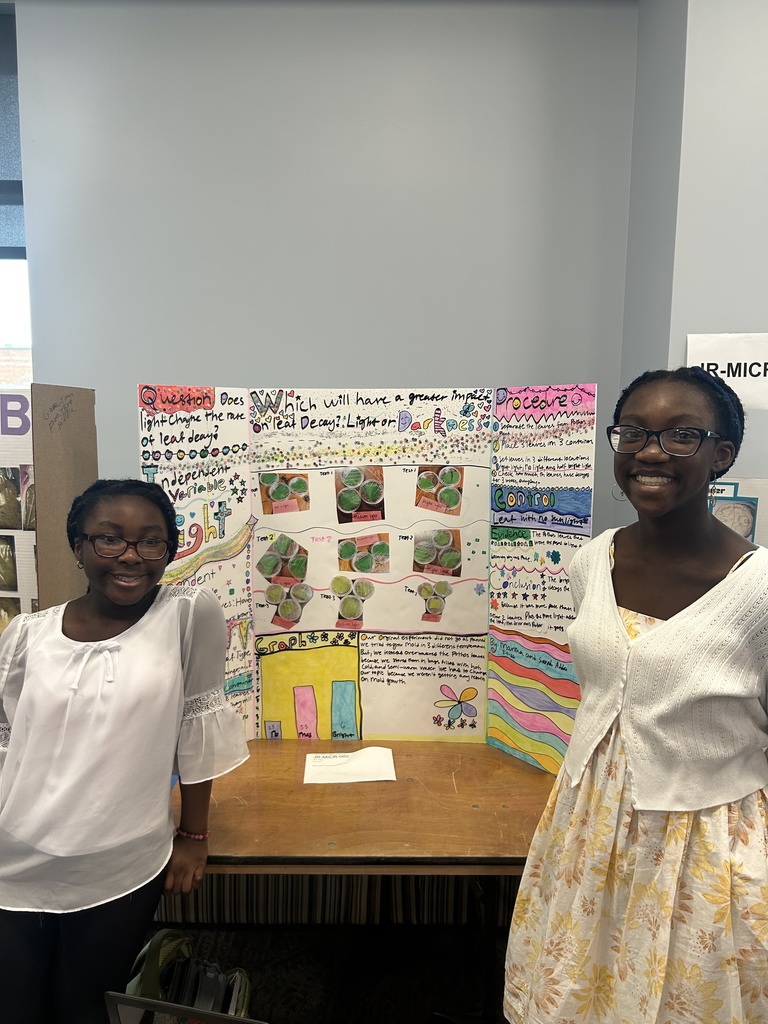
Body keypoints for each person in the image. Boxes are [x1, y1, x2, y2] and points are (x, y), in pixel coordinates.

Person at [504, 366, 768, 1023]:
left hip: (702, 845)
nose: (651, 452)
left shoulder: (758, 590)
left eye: (682, 436)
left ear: (722, 456)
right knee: (573, 994)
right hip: (586, 828)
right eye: (635, 433)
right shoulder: (592, 562)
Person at [0, 479, 249, 1024]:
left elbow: (196, 725)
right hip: (14, 858)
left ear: (170, 549)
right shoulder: (25, 635)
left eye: (150, 542)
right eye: (109, 540)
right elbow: (8, 742)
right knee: (14, 1007)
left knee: (84, 1008)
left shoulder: (187, 614)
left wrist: (194, 836)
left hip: (119, 862)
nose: (130, 557)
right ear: (79, 547)